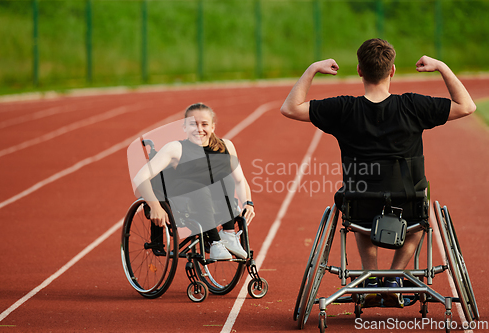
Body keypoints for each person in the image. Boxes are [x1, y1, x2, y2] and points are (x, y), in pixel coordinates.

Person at [280, 38, 476, 307]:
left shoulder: (344, 109)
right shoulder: (413, 106)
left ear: (360, 70)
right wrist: (441, 67)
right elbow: (467, 106)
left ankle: (370, 278)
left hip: (360, 206)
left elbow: (290, 108)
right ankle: (395, 277)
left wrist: (312, 69)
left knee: (357, 199)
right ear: (392, 70)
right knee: (423, 208)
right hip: (409, 205)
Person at [133, 103, 255, 260]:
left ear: (212, 127)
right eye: (193, 124)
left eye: (204, 124)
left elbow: (239, 180)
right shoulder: (175, 148)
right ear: (184, 127)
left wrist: (248, 203)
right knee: (201, 187)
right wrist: (155, 206)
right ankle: (215, 243)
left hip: (213, 202)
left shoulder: (226, 146)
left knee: (226, 178)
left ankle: (229, 234)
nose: (199, 129)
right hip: (183, 200)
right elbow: (141, 177)